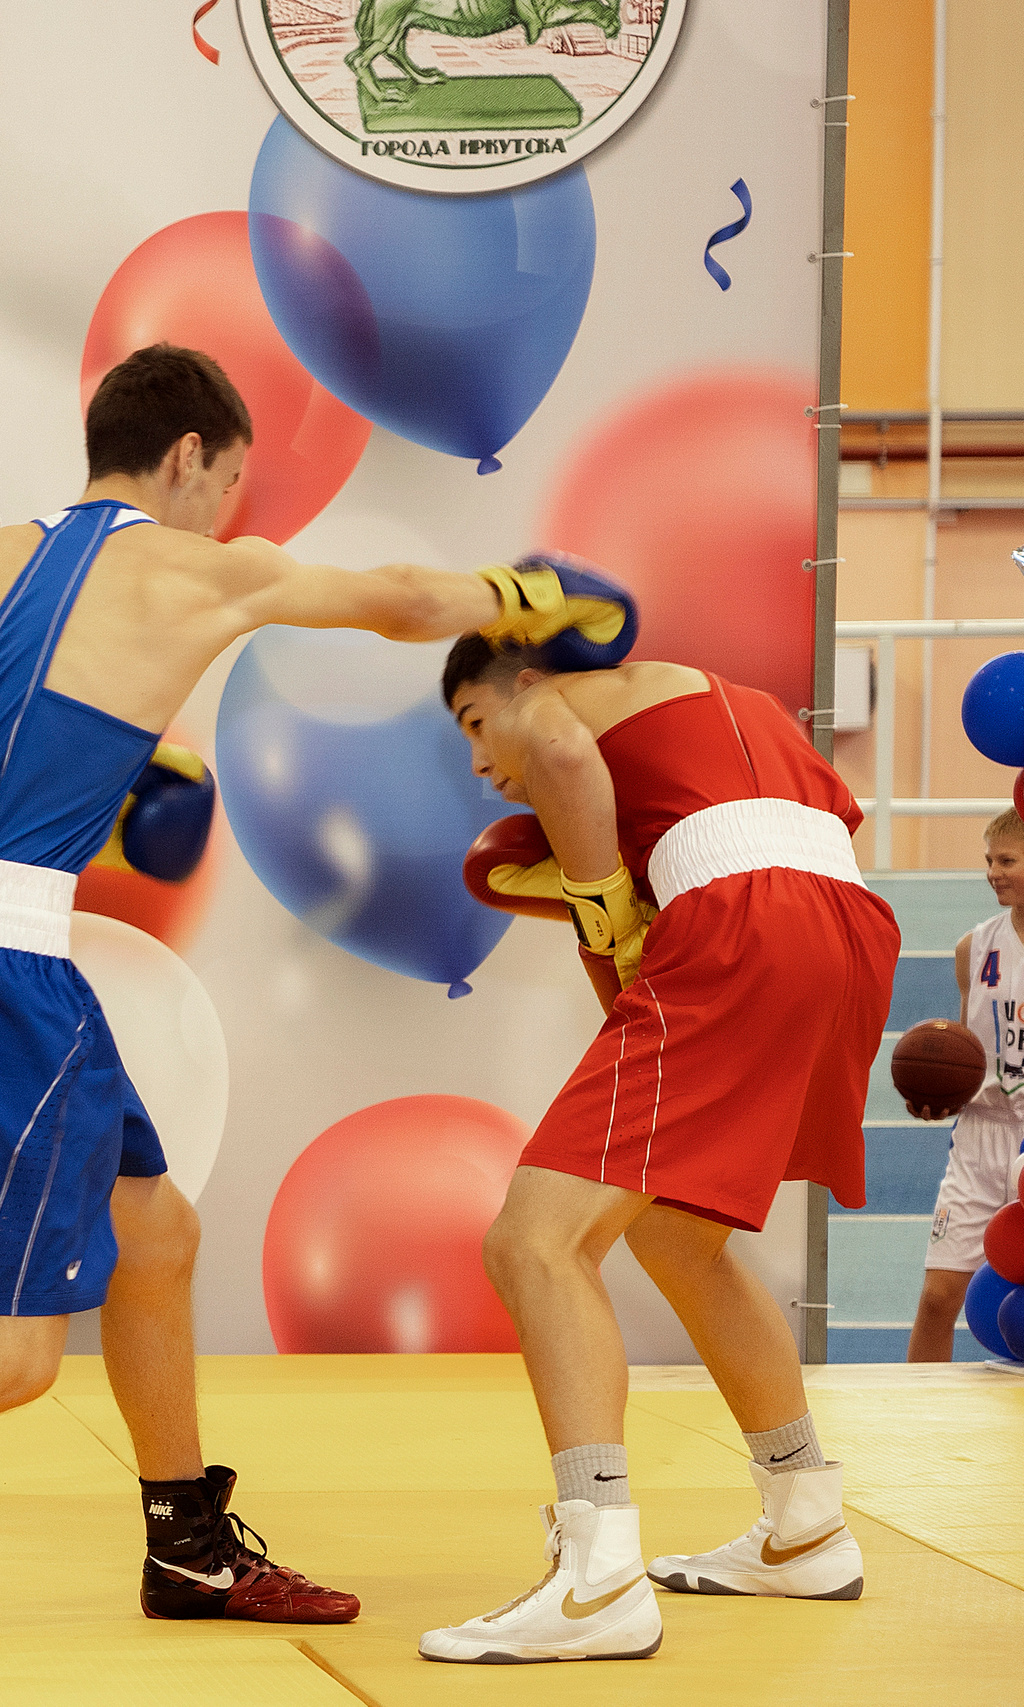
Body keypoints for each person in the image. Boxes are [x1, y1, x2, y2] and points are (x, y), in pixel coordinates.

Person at [0, 342, 617, 1680]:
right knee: (17, 1353)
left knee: (159, 1227)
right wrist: (531, 591)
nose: (230, 516)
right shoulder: (191, 566)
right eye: (231, 483)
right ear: (189, 457)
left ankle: (186, 1534)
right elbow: (404, 596)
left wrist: (109, 776)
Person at [423, 639, 895, 1661]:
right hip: (847, 932)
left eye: (471, 721)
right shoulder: (740, 708)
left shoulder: (568, 708)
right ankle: (804, 1521)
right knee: (678, 1235)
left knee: (533, 1244)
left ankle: (595, 1581)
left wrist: (595, 898)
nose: (475, 761)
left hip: (747, 927)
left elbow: (552, 745)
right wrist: (616, 900)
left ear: (528, 680)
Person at [909, 810, 1024, 1360]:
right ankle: (916, 1419)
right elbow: (966, 1054)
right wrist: (938, 1092)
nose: (993, 873)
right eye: (989, 861)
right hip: (980, 1137)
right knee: (937, 1296)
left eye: (1007, 861)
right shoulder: (974, 949)